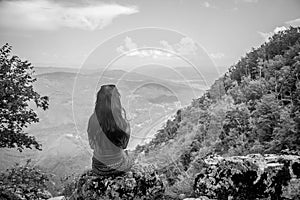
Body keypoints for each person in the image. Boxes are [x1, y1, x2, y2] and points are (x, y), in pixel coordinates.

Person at [87, 84, 132, 176]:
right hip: (119, 167)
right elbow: (124, 146)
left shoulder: (92, 120)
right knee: (128, 154)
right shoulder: (123, 123)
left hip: (99, 168)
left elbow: (92, 146)